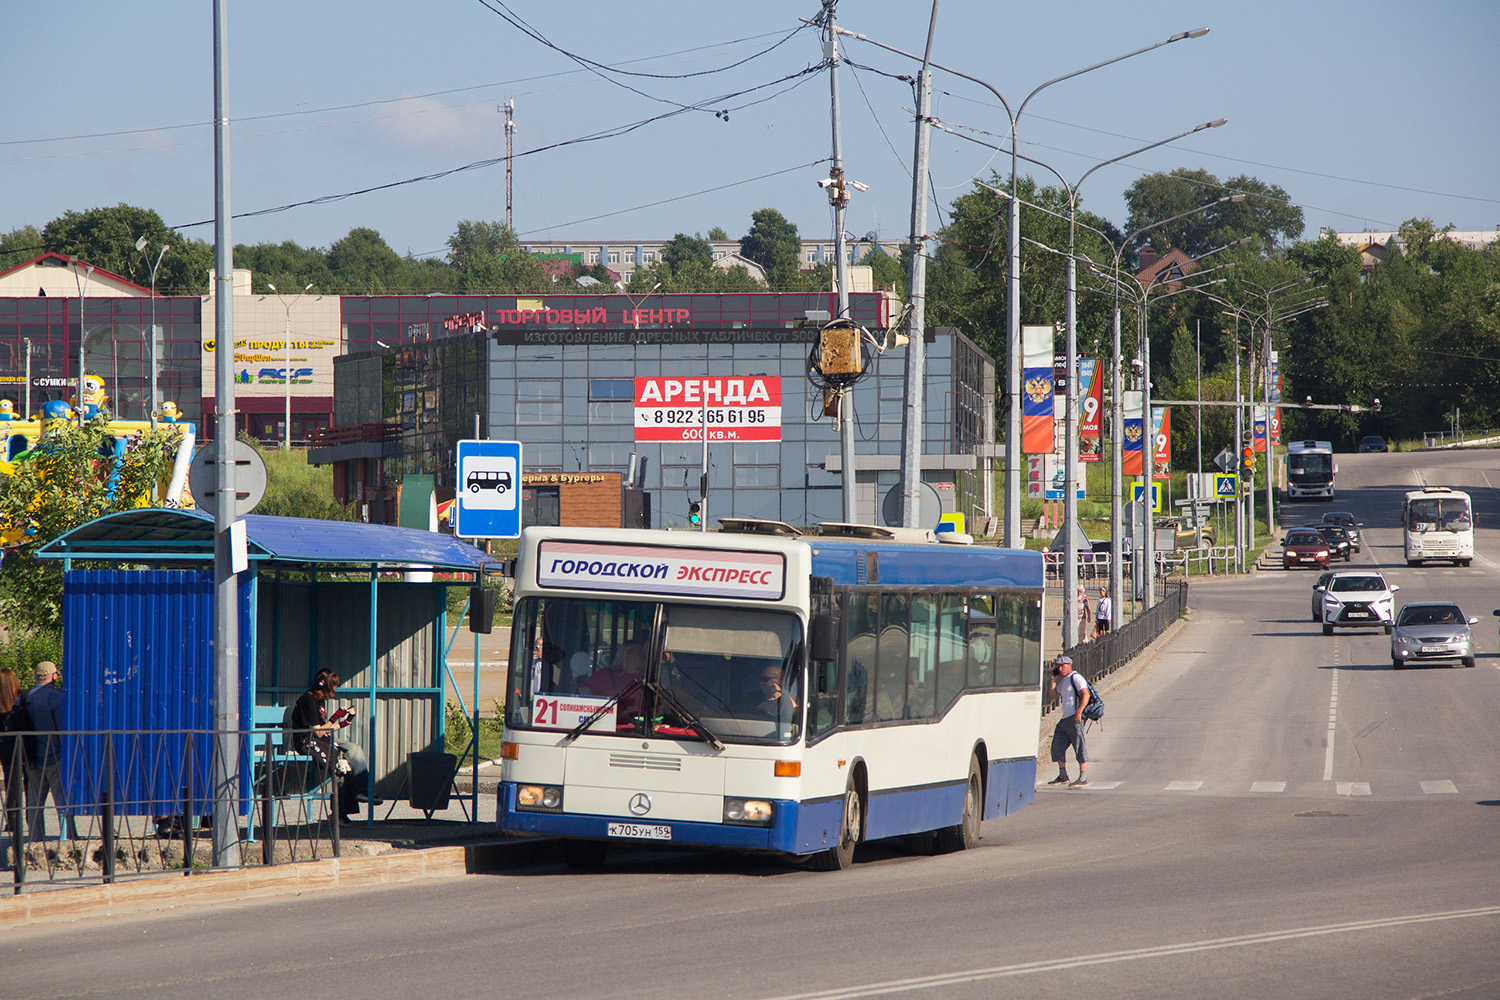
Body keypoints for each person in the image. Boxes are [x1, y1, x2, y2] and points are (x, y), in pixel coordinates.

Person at [291, 669, 366, 825]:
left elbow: (325, 730)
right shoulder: (308, 701)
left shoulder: (319, 701)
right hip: (307, 741)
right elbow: (317, 732)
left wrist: (345, 722)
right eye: (333, 686)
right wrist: (336, 717)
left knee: (354, 749)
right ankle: (339, 814)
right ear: (322, 685)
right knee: (340, 765)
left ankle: (362, 790)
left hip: (322, 738)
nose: (335, 689)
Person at [24, 660, 76, 839]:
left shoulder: (24, 697)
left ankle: (35, 839)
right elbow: (62, 729)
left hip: (31, 758)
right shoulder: (56, 698)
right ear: (53, 676)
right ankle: (67, 836)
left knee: (34, 803)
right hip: (54, 755)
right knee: (62, 801)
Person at [1045, 655, 1090, 788]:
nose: (1060, 668)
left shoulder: (1076, 677)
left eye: (1063, 666)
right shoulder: (1064, 681)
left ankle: (1083, 777)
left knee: (1079, 746)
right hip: (1065, 719)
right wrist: (1053, 680)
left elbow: (1085, 694)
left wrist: (1079, 712)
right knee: (1057, 746)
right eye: (1058, 666)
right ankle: (1063, 775)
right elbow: (1053, 696)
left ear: (1070, 665)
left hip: (1075, 718)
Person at [580, 642, 648, 724]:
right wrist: (594, 706)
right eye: (639, 653)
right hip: (608, 728)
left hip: (639, 729)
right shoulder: (607, 674)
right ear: (626, 655)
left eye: (643, 654)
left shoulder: (646, 678)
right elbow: (583, 688)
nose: (643, 657)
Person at [0, 668, 23, 832]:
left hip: (6, 751)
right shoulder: (22, 703)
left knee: (11, 785)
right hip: (25, 749)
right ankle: (31, 819)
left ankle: (13, 820)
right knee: (31, 785)